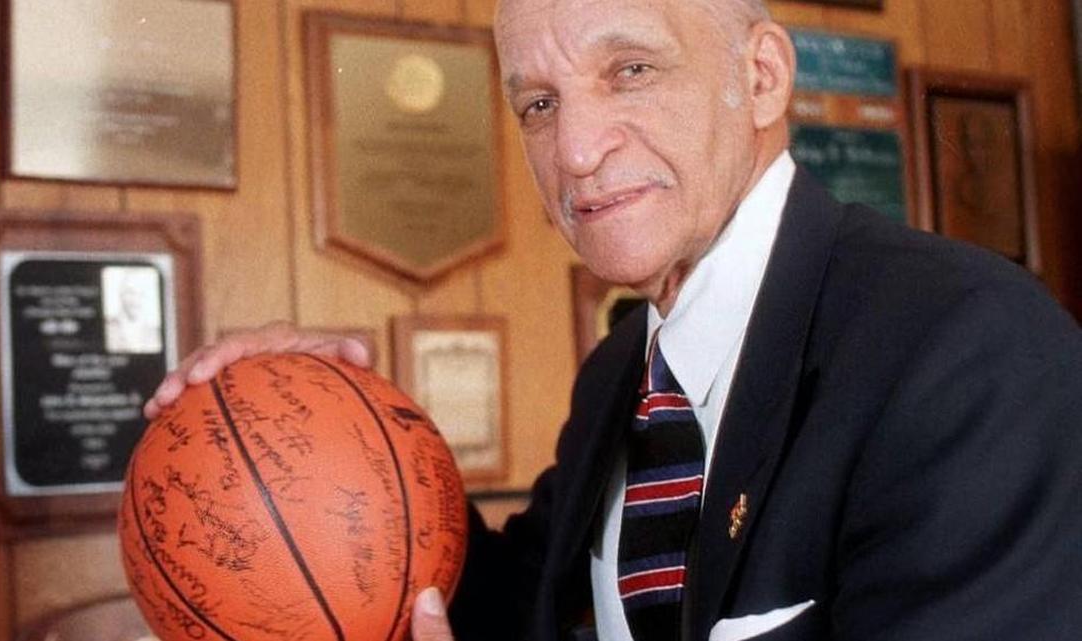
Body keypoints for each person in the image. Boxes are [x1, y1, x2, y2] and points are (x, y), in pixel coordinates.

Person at [146, 0, 1082, 639]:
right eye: (539, 104)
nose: (578, 150)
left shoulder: (969, 349)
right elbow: (524, 602)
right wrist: (321, 449)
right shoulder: (621, 371)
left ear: (760, 78)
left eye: (630, 70)